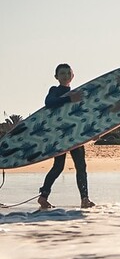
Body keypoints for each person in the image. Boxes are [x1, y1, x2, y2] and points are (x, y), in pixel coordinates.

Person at [38, 64, 95, 210]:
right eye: (61, 73)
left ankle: (84, 199)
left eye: (67, 73)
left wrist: (94, 132)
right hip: (60, 135)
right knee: (58, 167)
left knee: (81, 166)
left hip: (76, 134)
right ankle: (43, 196)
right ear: (56, 77)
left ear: (72, 76)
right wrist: (69, 99)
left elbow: (84, 114)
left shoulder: (77, 93)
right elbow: (49, 102)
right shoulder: (55, 91)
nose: (65, 75)